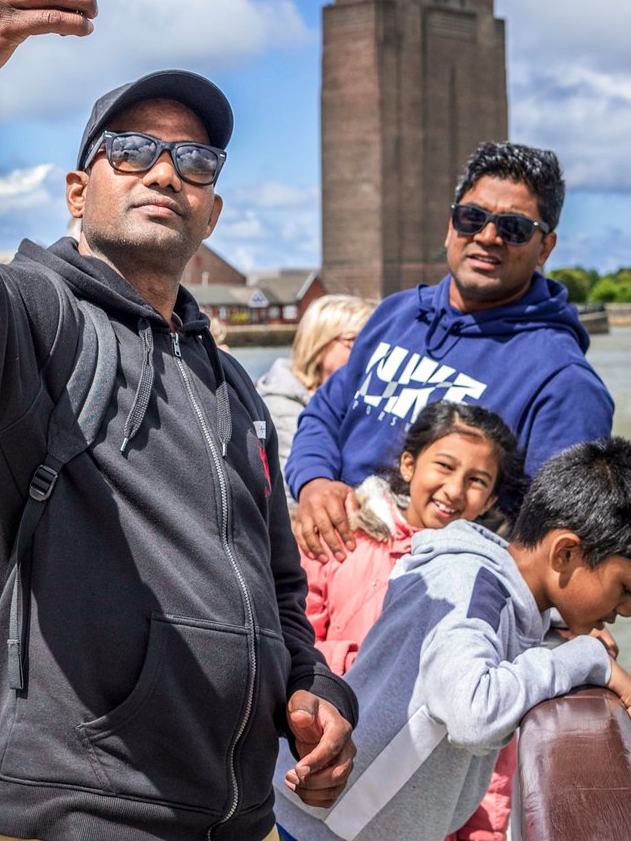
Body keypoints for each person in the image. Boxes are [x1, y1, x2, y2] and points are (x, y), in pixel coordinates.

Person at [0, 0, 355, 840]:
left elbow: (277, 581)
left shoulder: (233, 385)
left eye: (195, 160)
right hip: (94, 801)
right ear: (78, 192)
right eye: (131, 149)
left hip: (238, 805)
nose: (165, 168)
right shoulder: (35, 323)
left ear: (212, 208)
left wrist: (313, 688)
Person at [274, 436, 631, 841]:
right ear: (565, 553)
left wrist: (550, 633)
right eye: (624, 588)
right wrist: (588, 657)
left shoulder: (501, 596)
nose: (626, 610)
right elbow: (473, 713)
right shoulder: (473, 587)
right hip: (318, 826)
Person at [288, 142, 614, 564]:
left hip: (431, 600)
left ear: (545, 247)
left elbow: (553, 547)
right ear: (450, 225)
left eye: (513, 227)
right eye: (472, 217)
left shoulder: (564, 382)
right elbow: (325, 413)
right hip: (325, 571)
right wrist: (314, 482)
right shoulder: (396, 314)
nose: (487, 237)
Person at [301, 402, 523, 841]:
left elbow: (493, 752)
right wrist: (358, 661)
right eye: (444, 466)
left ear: (493, 499)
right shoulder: (339, 537)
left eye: (478, 481)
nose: (455, 491)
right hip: (309, 788)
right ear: (408, 464)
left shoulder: (491, 589)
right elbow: (291, 642)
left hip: (412, 818)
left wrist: (485, 834)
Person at [256, 295, 373, 507]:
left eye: (372, 343)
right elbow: (289, 494)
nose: (366, 353)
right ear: (319, 344)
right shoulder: (281, 405)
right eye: (354, 341)